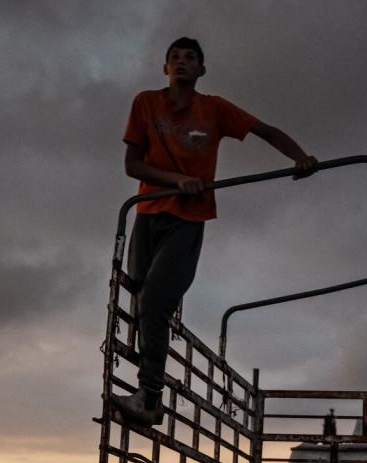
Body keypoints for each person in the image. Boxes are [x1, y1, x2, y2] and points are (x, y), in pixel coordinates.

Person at [112, 37, 317, 425]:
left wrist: (300, 158)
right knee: (141, 301)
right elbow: (132, 165)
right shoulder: (146, 103)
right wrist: (177, 178)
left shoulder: (214, 109)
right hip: (147, 213)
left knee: (156, 301)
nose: (182, 62)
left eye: (190, 58)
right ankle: (145, 388)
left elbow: (267, 131)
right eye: (175, 58)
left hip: (187, 221)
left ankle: (150, 399)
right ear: (165, 68)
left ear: (202, 70)